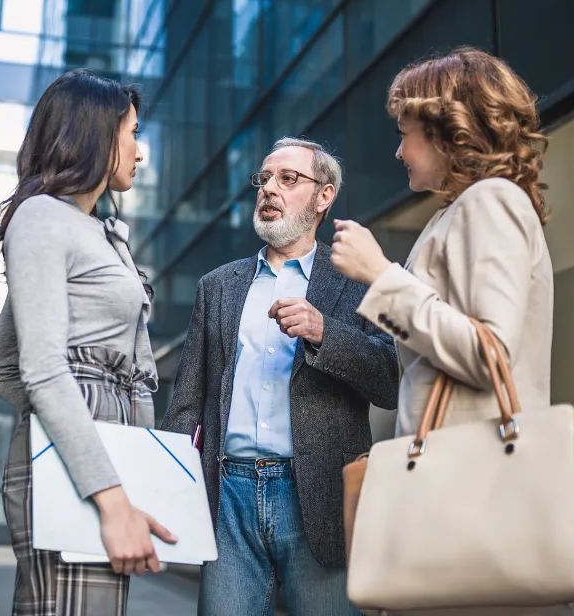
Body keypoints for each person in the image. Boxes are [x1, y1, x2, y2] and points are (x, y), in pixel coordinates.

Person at [162, 138, 398, 616]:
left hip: (318, 494)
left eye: (288, 179)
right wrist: (169, 496)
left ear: (324, 197)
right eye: (264, 179)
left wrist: (323, 332)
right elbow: (188, 400)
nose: (269, 188)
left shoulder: (354, 280)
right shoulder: (218, 285)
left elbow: (389, 381)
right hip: (229, 494)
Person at [0, 69, 175, 616]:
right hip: (84, 457)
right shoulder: (42, 217)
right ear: (96, 135)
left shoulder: (94, 229)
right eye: (133, 132)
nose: (140, 151)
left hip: (101, 450)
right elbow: (39, 370)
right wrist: (79, 421)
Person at [330, 45, 552, 441]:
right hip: (462, 465)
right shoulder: (460, 210)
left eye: (404, 134)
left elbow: (491, 355)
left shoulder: (490, 199)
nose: (398, 152)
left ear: (448, 132)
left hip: (476, 473)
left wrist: (380, 275)